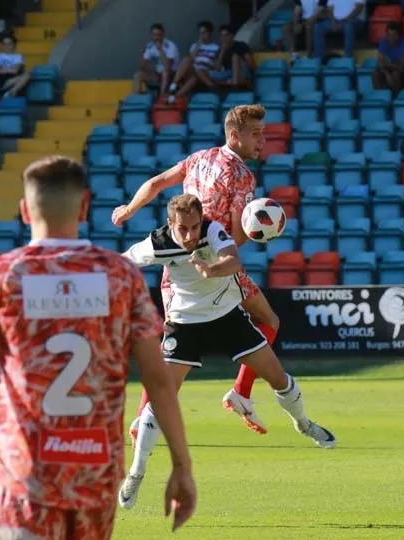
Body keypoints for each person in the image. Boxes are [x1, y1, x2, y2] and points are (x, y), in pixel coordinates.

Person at [0, 156, 196, 539]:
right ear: (84, 206)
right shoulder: (120, 276)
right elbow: (159, 380)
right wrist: (182, 465)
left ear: (25, 211)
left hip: (24, 472)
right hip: (95, 472)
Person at [118, 193, 336, 508]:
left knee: (277, 377)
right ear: (170, 224)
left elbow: (233, 259)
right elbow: (120, 263)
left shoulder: (212, 230)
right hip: (185, 323)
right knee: (162, 395)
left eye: (195, 226)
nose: (191, 235)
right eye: (184, 229)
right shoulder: (158, 243)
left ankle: (304, 424)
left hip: (226, 316)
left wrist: (213, 270)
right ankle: (137, 473)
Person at [112, 104, 280, 440]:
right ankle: (240, 393)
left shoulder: (200, 157)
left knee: (173, 345)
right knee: (269, 321)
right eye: (257, 134)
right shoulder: (243, 175)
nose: (263, 141)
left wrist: (129, 209)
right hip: (212, 266)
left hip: (174, 260)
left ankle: (140, 419)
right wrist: (260, 228)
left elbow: (159, 182)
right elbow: (234, 236)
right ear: (235, 135)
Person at [133, 23, 179, 95]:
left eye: (158, 35)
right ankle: (136, 97)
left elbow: (168, 66)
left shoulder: (170, 45)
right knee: (138, 75)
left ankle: (162, 96)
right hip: (158, 74)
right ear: (151, 35)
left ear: (163, 34)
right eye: (154, 35)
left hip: (171, 74)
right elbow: (141, 68)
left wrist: (160, 49)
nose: (156, 38)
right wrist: (142, 55)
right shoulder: (150, 46)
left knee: (165, 72)